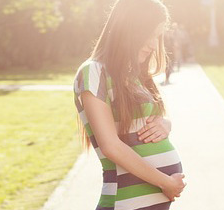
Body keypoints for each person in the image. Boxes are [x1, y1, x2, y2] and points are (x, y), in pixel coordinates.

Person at [72, 0, 186, 209]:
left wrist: (165, 123)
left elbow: (143, 121)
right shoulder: (94, 72)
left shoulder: (134, 74)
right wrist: (166, 182)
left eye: (157, 36)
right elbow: (111, 146)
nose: (153, 44)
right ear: (129, 29)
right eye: (149, 35)